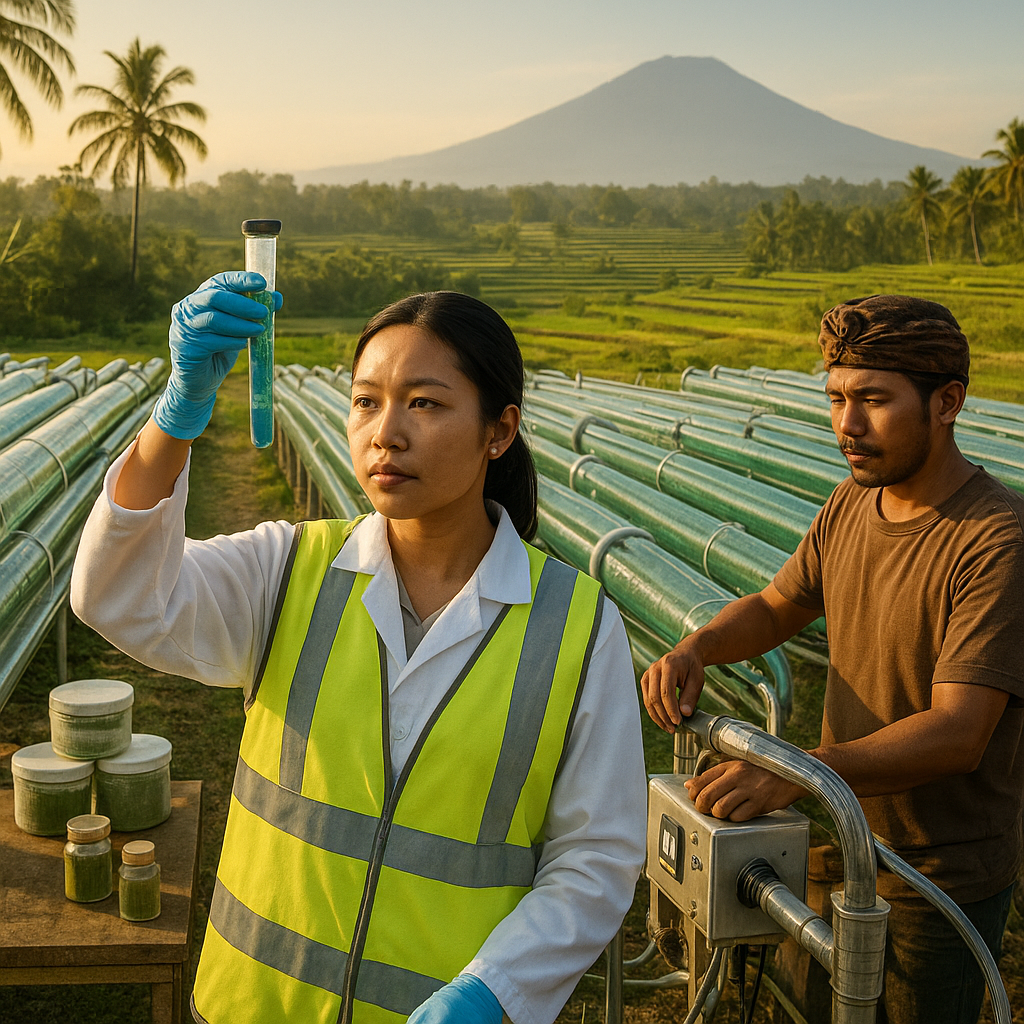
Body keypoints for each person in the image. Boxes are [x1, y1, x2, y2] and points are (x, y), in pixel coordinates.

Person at [71, 274, 647, 1024]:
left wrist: (492, 994)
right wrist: (174, 420)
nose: (387, 433)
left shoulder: (574, 623)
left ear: (499, 431)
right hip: (252, 1005)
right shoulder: (287, 571)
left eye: (426, 403)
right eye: (367, 401)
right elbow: (116, 597)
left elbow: (595, 857)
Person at [641, 295, 1024, 1024]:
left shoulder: (993, 539)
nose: (847, 425)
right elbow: (778, 604)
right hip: (842, 837)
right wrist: (699, 647)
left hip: (935, 876)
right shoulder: (853, 503)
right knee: (813, 1003)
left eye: (874, 401)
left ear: (948, 402)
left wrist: (798, 772)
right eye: (837, 399)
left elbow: (959, 729)